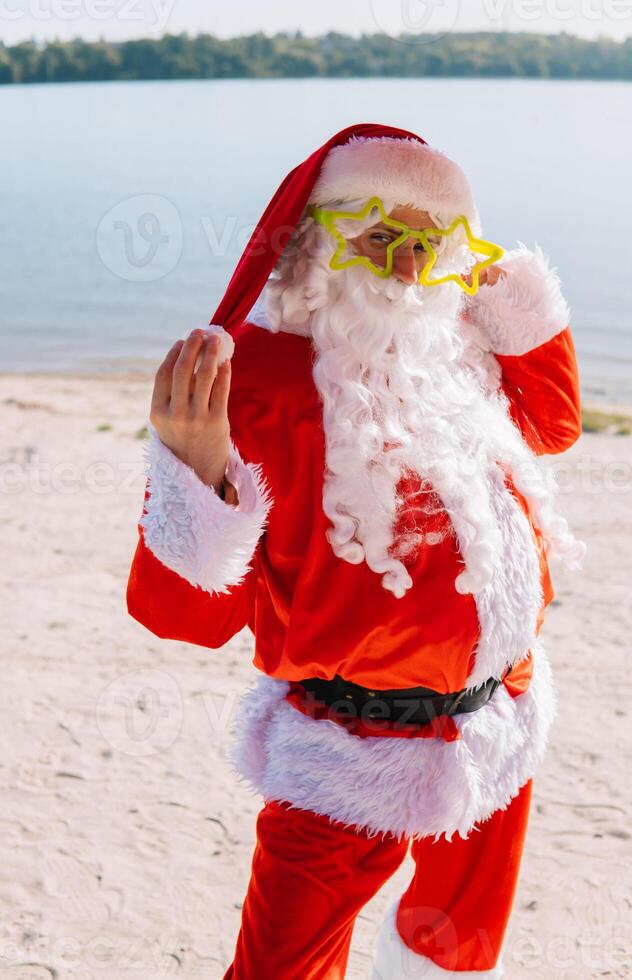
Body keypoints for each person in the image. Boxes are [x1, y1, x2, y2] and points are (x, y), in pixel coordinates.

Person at [126, 123, 585, 979]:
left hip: (504, 722)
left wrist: (511, 300)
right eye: (380, 238)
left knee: (455, 948)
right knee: (281, 967)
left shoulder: (461, 352)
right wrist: (192, 473)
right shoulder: (252, 381)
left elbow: (555, 426)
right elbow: (180, 619)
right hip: (345, 750)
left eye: (426, 243)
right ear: (314, 247)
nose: (410, 270)